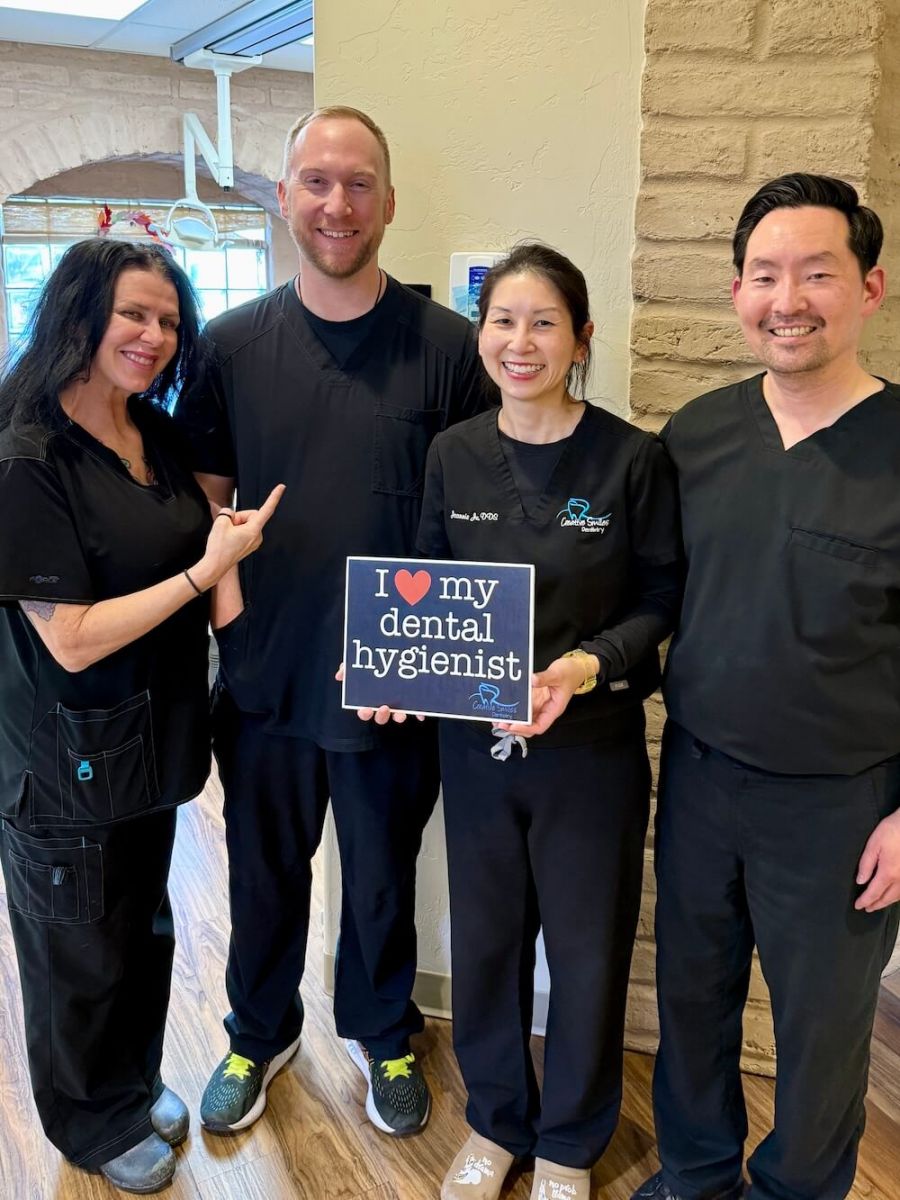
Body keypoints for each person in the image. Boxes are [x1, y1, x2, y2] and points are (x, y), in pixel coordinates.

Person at [174, 105, 485, 1138]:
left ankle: (384, 1029)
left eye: (358, 184)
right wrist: (233, 634)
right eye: (316, 181)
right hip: (265, 676)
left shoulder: (449, 349)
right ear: (284, 197)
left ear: (389, 203)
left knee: (384, 877)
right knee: (263, 877)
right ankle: (258, 1034)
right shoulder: (227, 347)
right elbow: (206, 506)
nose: (336, 204)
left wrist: (427, 663)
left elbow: (474, 515)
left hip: (396, 685)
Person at [631, 174, 900, 1200]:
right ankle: (696, 1172)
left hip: (843, 805)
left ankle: (797, 1190)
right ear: (737, 291)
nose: (788, 300)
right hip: (700, 778)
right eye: (764, 275)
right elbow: (647, 595)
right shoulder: (696, 436)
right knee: (691, 998)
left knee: (822, 1030)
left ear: (868, 288)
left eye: (817, 274)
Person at [0, 238, 283, 1193]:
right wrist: (206, 572)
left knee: (140, 931)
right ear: (79, 313)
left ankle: (127, 1085)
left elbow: (194, 555)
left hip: (150, 748)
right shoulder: (27, 456)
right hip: (64, 762)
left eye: (168, 321)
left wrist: (225, 560)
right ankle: (89, 1122)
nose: (154, 336)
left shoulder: (150, 434)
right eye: (134, 314)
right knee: (78, 952)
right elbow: (73, 639)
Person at [400, 242, 680, 1200]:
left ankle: (569, 1141)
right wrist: (397, 667)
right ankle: (496, 1122)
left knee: (588, 952)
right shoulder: (452, 455)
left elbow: (660, 601)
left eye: (544, 323)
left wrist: (582, 665)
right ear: (482, 335)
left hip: (590, 755)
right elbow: (423, 587)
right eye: (502, 322)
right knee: (486, 943)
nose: (520, 342)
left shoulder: (632, 459)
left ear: (581, 339)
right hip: (477, 753)